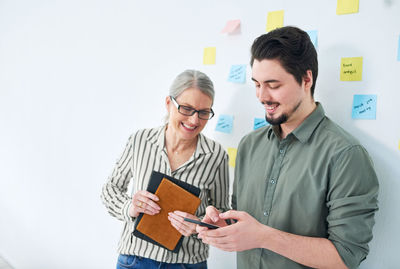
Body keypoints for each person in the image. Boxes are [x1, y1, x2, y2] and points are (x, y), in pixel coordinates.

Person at [197, 26, 379, 269]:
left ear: (307, 79)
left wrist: (264, 236)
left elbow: (346, 256)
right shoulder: (249, 145)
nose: (262, 96)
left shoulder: (346, 155)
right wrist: (223, 227)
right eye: (257, 84)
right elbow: (246, 222)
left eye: (273, 85)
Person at [101, 69, 230, 269]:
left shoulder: (216, 155)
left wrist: (199, 226)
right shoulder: (140, 141)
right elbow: (110, 189)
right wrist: (131, 208)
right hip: (135, 260)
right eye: (186, 108)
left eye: (204, 112)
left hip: (188, 264)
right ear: (169, 104)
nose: (194, 120)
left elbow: (222, 214)